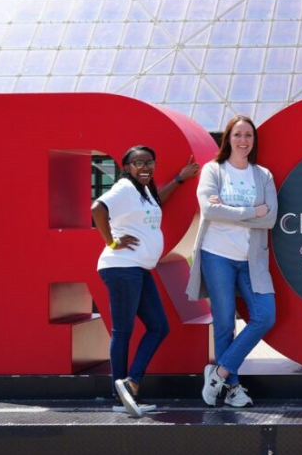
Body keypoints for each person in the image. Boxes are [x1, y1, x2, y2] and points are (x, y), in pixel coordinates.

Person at [92, 146, 198, 417]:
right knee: (123, 331)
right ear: (126, 167)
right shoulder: (125, 188)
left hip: (139, 268)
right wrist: (112, 242)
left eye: (149, 162)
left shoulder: (145, 192)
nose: (144, 167)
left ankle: (132, 383)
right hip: (122, 267)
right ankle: (119, 396)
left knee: (159, 327)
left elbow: (158, 202)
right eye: (137, 163)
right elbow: (98, 208)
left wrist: (179, 179)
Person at [186, 115, 278, 408]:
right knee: (225, 324)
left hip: (251, 260)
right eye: (237, 135)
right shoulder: (214, 170)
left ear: (254, 140)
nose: (243, 141)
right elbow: (209, 211)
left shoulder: (262, 175)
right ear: (228, 139)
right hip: (217, 256)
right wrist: (250, 210)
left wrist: (228, 208)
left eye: (248, 136)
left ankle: (219, 373)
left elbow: (271, 217)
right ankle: (232, 388)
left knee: (265, 316)